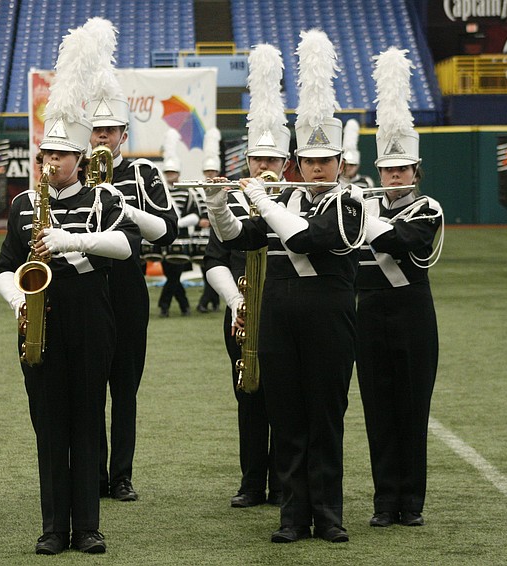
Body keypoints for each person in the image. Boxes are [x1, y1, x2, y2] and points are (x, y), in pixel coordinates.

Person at [206, 29, 365, 544]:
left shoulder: (350, 203)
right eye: (309, 162)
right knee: (288, 417)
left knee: (326, 417)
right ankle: (293, 516)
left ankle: (329, 514)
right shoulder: (287, 200)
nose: (317, 169)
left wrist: (263, 200)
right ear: (298, 163)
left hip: (328, 318)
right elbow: (240, 237)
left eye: (326, 161)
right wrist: (218, 205)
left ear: (339, 164)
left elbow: (304, 239)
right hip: (277, 317)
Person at [0, 19, 140, 555]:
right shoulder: (23, 205)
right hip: (41, 322)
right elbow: (1, 267)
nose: (51, 163)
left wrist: (71, 240)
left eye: (60, 155)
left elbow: (125, 247)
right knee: (50, 428)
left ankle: (88, 527)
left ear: (79, 158)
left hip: (91, 322)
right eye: (45, 156)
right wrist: (18, 300)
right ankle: (54, 527)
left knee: (87, 422)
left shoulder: (104, 199)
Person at [85, 20, 178, 502]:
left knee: (124, 388)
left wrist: (123, 206)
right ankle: (92, 475)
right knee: (87, 388)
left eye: (110, 130)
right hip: (85, 287)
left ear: (124, 133)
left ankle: (120, 475)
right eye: (96, 130)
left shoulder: (143, 172)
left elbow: (168, 229)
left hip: (126, 286)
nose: (103, 137)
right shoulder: (72, 172)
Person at [357, 47, 443, 529]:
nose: (393, 176)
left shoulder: (427, 209)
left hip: (412, 316)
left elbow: (402, 243)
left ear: (414, 172)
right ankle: (384, 501)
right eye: (388, 170)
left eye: (401, 170)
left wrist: (360, 213)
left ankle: (412, 503)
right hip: (369, 315)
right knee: (378, 411)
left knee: (412, 410)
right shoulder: (364, 207)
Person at [203, 43, 289, 510]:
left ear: (285, 165)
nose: (263, 168)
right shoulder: (231, 203)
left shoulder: (296, 203)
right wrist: (235, 301)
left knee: (287, 400)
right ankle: (252, 482)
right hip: (241, 313)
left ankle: (285, 483)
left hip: (287, 312)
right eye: (257, 160)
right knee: (248, 395)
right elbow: (215, 259)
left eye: (271, 161)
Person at [157, 128, 194, 317]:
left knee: (175, 274)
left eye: (173, 172)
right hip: (165, 240)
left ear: (178, 173)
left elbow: (195, 215)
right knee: (171, 275)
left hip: (181, 238)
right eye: (168, 172)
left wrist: (177, 223)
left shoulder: (187, 192)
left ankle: (165, 305)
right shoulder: (160, 192)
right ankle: (183, 306)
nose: (170, 175)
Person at [197, 128, 221, 313]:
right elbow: (193, 210)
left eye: (212, 171)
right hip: (201, 235)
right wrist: (200, 221)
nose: (210, 174)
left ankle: (206, 302)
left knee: (215, 266)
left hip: (219, 233)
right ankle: (212, 301)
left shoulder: (224, 188)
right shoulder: (197, 190)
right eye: (207, 171)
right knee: (206, 269)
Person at [342, 119, 376, 189]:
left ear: (357, 166)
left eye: (351, 165)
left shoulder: (366, 182)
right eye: (345, 165)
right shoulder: (336, 182)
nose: (348, 168)